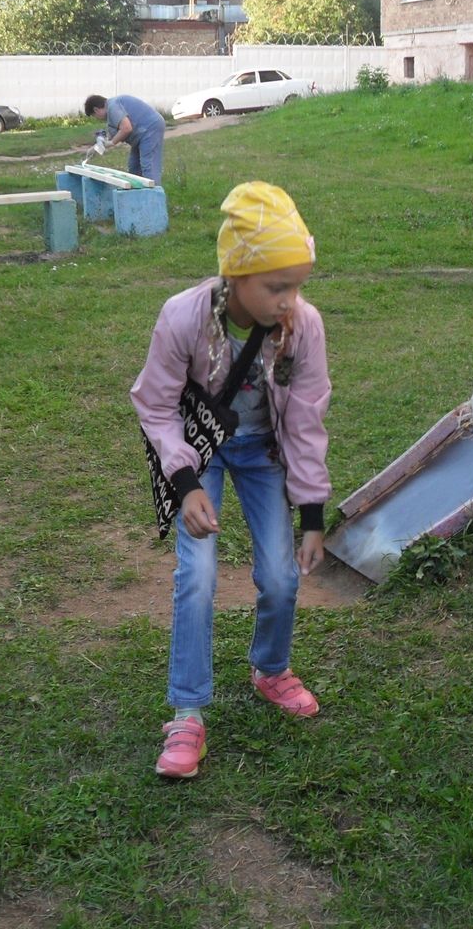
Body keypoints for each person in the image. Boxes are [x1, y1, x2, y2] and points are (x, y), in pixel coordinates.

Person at [130, 181, 332, 779]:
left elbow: (305, 420)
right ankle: (187, 711)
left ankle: (269, 668)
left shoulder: (304, 326)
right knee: (197, 574)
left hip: (262, 454)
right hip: (200, 455)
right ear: (236, 273)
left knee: (279, 573)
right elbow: (156, 405)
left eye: (297, 284)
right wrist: (186, 480)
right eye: (276, 286)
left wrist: (313, 514)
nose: (288, 300)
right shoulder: (182, 316)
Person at [83, 93, 165, 182]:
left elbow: (126, 128)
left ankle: (154, 194)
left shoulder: (113, 107)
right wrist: (96, 148)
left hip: (150, 128)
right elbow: (112, 135)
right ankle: (137, 194)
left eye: (94, 116)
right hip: (141, 133)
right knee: (134, 167)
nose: (97, 119)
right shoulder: (111, 111)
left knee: (148, 165)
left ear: (96, 110)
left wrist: (112, 143)